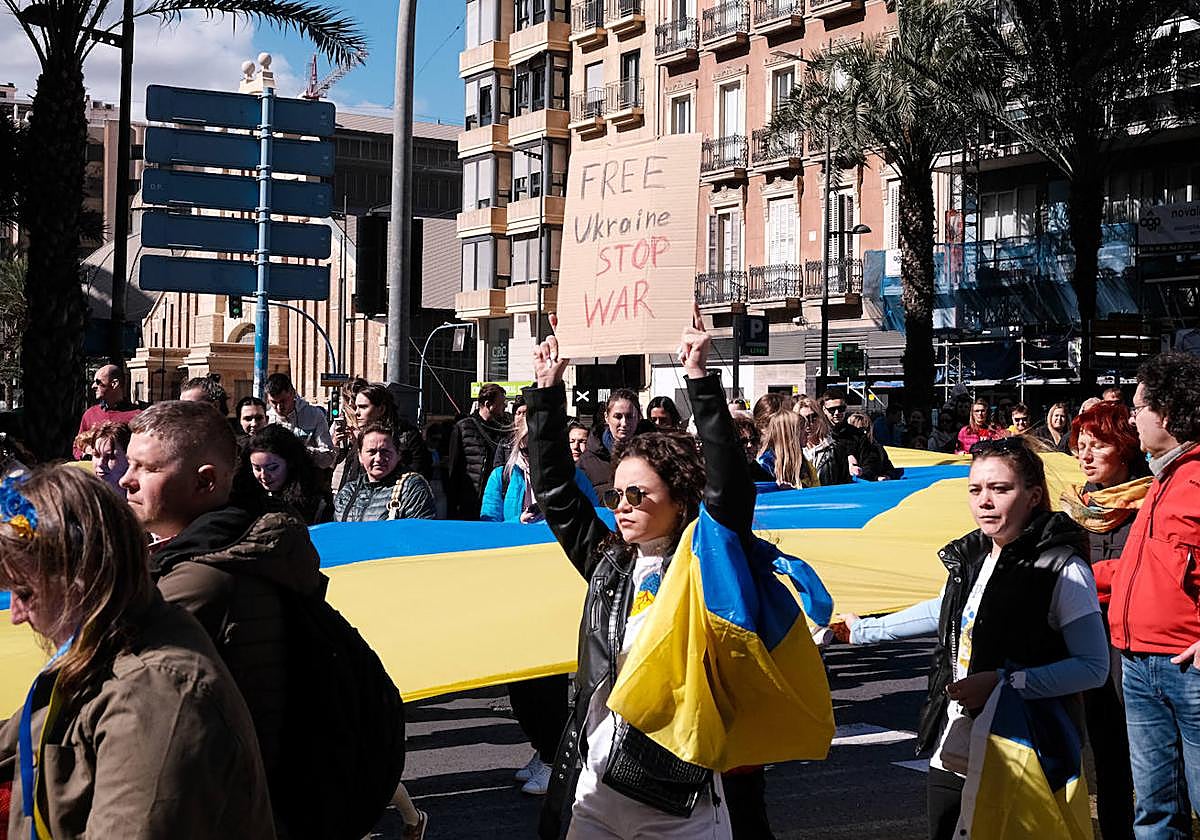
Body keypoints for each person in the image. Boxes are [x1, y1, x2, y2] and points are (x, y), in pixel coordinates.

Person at [526, 314, 751, 840]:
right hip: (597, 788)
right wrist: (547, 390)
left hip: (679, 798)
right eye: (615, 495)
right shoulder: (608, 561)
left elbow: (731, 493)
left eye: (637, 495)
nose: (621, 507)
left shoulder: (703, 563)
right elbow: (557, 493)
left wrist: (699, 378)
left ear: (678, 496)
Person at [841, 436, 1109, 840]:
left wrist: (1004, 683)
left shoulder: (1063, 568)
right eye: (975, 489)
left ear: (1034, 496)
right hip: (955, 745)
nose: (985, 501)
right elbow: (944, 610)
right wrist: (862, 631)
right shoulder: (973, 558)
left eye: (1000, 489)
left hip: (1023, 749)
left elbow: (1092, 667)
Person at [0, 466, 275, 838]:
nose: (16, 615)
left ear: (81, 580)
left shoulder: (152, 693)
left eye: (26, 593)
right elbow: (17, 737)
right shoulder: (100, 646)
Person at [121, 400, 326, 838]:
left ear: (205, 481)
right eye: (130, 463)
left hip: (216, 805)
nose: (126, 479)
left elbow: (104, 675)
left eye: (146, 468)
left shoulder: (201, 579)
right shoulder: (210, 551)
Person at [1092, 352, 1200, 839]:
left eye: (1138, 408)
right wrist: (1071, 579)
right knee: (1155, 809)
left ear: (1168, 413)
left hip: (1185, 669)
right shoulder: (1163, 479)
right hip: (1138, 665)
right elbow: (1145, 570)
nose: (1132, 418)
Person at [479, 409, 596, 797]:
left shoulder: (573, 477)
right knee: (518, 686)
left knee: (548, 684)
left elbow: (592, 521)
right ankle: (543, 747)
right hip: (514, 589)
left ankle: (553, 758)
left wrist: (548, 524)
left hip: (555, 589)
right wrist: (518, 528)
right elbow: (487, 526)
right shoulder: (502, 477)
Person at [1059, 401, 1150, 840]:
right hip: (1090, 640)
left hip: (1140, 644)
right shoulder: (1075, 507)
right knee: (1108, 754)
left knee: (1151, 759)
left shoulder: (1151, 501)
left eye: (1098, 445)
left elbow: (1147, 571)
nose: (1085, 455)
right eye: (1080, 446)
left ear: (1125, 447)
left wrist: (1082, 577)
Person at [335, 382, 433, 490]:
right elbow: (351, 478)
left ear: (381, 409)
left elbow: (419, 476)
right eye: (356, 407)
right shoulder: (363, 437)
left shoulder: (407, 436)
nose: (356, 413)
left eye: (363, 407)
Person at [334, 423, 437, 522]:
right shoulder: (348, 492)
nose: (378, 458)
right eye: (372, 452)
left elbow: (419, 531)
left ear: (398, 454)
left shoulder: (410, 488)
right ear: (360, 456)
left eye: (385, 452)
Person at [242, 425, 335, 525]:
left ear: (290, 463)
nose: (263, 476)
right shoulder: (245, 498)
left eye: (272, 468)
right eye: (257, 468)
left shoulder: (315, 501)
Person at [445, 383, 509, 520]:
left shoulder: (503, 430)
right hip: (469, 501)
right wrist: (452, 506)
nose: (505, 406)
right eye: (501, 403)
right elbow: (453, 469)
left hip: (494, 499)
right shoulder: (463, 427)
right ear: (488, 404)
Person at [264, 372, 336, 471]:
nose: (279, 407)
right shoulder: (266, 419)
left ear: (292, 393)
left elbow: (328, 457)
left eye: (283, 401)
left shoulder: (314, 415)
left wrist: (304, 451)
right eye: (274, 402)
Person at [579, 388, 643, 495]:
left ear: (638, 418)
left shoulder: (653, 457)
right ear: (606, 417)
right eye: (618, 416)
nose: (624, 423)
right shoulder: (586, 463)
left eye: (629, 417)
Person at [74, 364, 141, 458]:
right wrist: (86, 452)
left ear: (114, 384)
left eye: (98, 382)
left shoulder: (137, 416)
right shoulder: (90, 414)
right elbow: (77, 447)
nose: (93, 386)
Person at [823, 390, 885, 480]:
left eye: (841, 408)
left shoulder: (858, 434)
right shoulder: (819, 435)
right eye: (832, 409)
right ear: (824, 410)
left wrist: (861, 471)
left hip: (855, 483)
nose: (837, 413)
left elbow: (871, 461)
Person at [796, 395, 852, 486]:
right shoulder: (791, 452)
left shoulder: (836, 448)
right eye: (802, 420)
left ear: (820, 418)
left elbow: (845, 482)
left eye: (813, 418)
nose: (808, 424)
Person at [758, 410, 819, 489]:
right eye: (801, 428)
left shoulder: (804, 461)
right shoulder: (766, 464)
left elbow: (816, 489)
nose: (806, 432)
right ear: (788, 434)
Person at [91, 421, 131, 497]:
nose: (100, 463)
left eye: (110, 457)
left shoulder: (143, 500)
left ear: (130, 459)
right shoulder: (85, 499)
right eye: (96, 455)